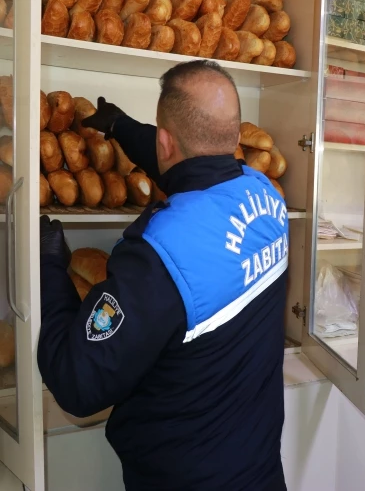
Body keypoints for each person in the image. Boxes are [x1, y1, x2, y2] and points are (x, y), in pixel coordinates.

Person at [38, 60, 289, 491]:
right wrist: (120, 126)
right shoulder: (265, 195)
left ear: (166, 140)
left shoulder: (159, 255)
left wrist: (48, 266)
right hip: (260, 471)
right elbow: (193, 169)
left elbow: (76, 383)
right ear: (234, 137)